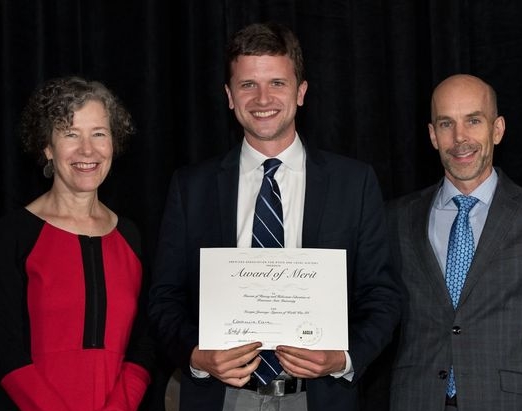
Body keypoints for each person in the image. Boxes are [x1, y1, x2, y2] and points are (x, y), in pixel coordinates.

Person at [148, 22, 405, 411]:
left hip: (318, 398)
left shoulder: (354, 183)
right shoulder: (191, 187)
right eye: (247, 84)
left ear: (301, 92)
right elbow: (165, 298)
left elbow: (383, 296)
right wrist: (197, 357)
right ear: (229, 96)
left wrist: (343, 358)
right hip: (221, 399)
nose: (262, 97)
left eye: (277, 83)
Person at [386, 73, 522, 410]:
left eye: (473, 121)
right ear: (433, 135)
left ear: (498, 129)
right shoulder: (396, 218)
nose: (460, 138)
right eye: (446, 124)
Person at [0, 76, 154, 411]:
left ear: (113, 144)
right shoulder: (14, 234)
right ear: (47, 146)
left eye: (99, 134)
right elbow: (5, 349)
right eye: (70, 134)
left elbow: (144, 343)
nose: (87, 150)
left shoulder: (132, 236)